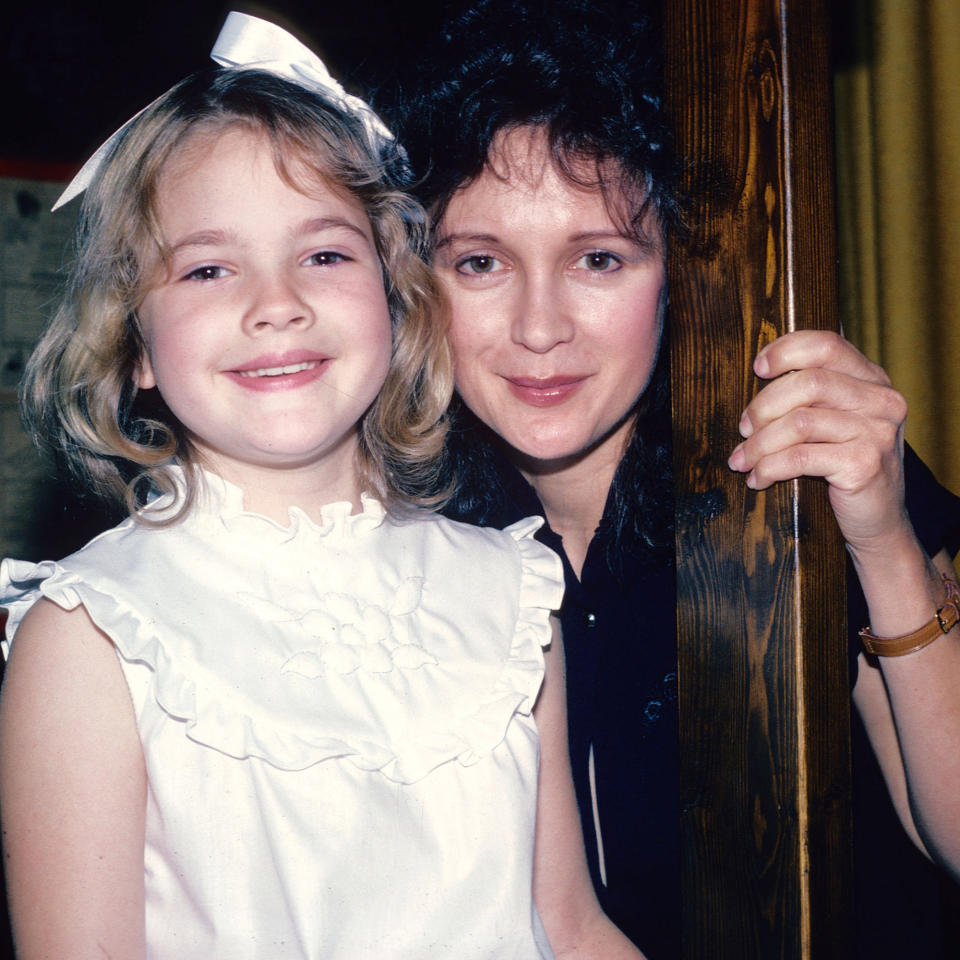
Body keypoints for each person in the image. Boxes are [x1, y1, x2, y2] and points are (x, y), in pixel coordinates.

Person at [0, 13, 645, 959]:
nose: (277, 303)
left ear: (397, 296)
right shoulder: (97, 636)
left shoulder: (512, 597)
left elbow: (575, 929)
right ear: (135, 343)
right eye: (211, 268)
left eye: (326, 254)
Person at [387, 0, 960, 956]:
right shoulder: (404, 534)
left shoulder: (789, 462)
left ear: (678, 275)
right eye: (481, 262)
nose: (540, 326)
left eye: (599, 259)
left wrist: (884, 540)